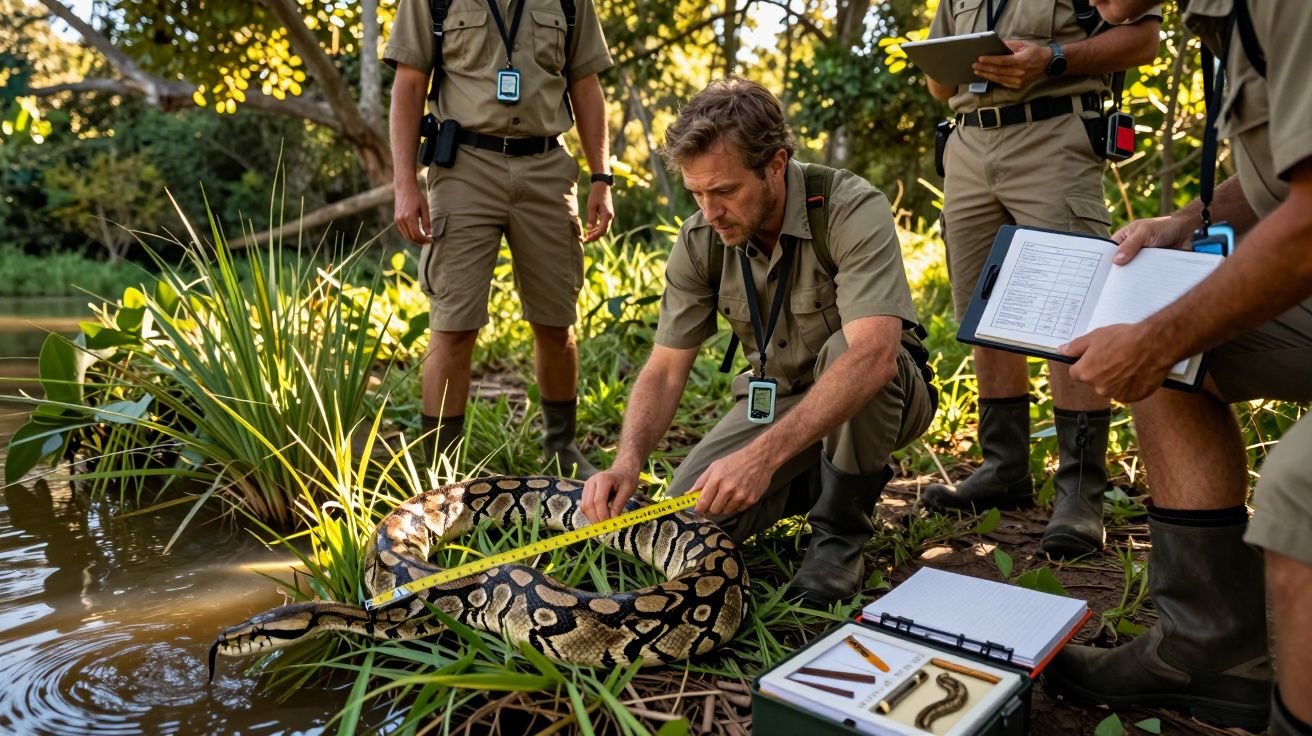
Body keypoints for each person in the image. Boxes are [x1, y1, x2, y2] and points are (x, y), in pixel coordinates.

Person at [1038, 1, 1312, 733]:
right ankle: (1209, 646)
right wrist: (1183, 223)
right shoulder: (1225, 19)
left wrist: (1159, 335)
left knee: (1296, 493)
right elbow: (1281, 185)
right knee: (1174, 358)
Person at [580, 78, 937, 607]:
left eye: (724, 191)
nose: (710, 211)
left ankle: (840, 538)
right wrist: (627, 460)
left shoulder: (848, 208)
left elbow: (875, 356)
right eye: (696, 193)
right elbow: (665, 368)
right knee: (684, 519)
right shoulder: (701, 238)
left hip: (882, 394)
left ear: (776, 163)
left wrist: (762, 458)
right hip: (781, 397)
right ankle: (814, 477)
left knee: (850, 353)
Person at [918, 0, 1161, 559]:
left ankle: (1079, 490)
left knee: (1068, 313)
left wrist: (1052, 57)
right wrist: (954, 63)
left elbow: (1143, 40)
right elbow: (938, 86)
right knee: (983, 312)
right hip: (968, 144)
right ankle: (1004, 468)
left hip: (1053, 136)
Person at [383, 0, 616, 478]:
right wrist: (405, 184)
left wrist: (602, 177)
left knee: (556, 321)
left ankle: (560, 449)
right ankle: (439, 471)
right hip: (465, 167)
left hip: (547, 168)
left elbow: (586, 86)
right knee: (453, 324)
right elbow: (408, 85)